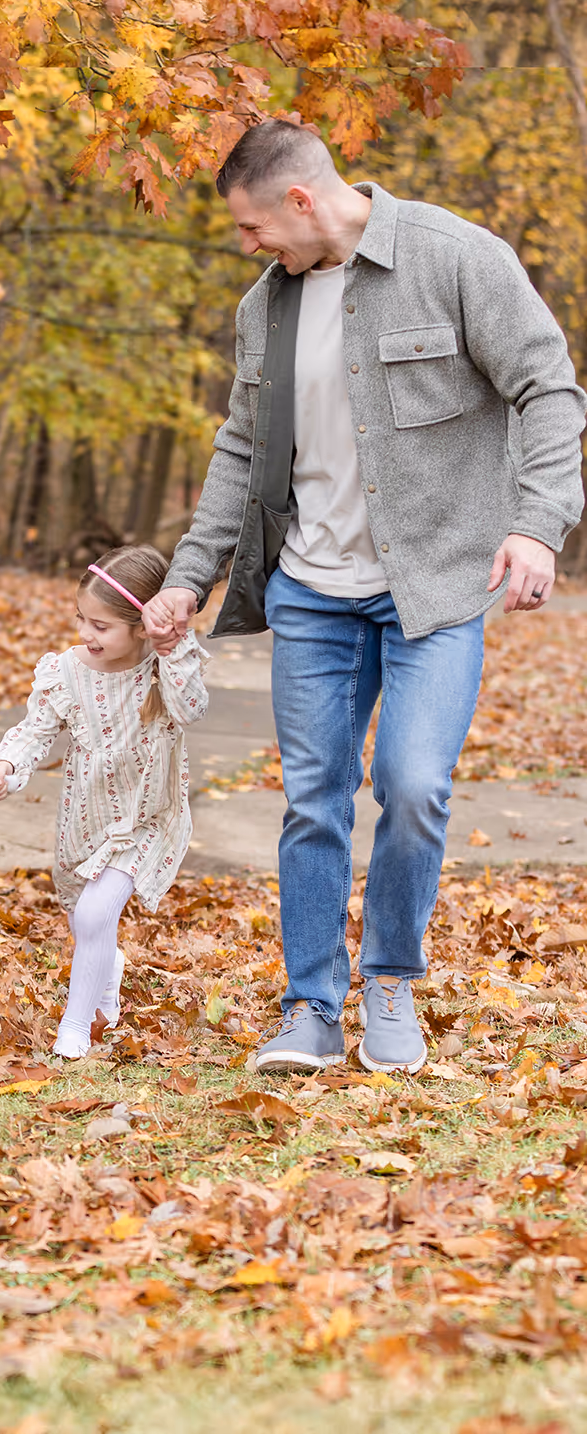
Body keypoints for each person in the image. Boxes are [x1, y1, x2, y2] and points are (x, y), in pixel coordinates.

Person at [143, 119, 587, 1076]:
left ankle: (388, 979)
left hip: (432, 586)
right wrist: (189, 577)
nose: (248, 247)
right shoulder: (266, 307)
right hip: (311, 593)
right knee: (314, 800)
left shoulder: (458, 259)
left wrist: (537, 522)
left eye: (254, 228)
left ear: (302, 201)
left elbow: (550, 391)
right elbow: (239, 451)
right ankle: (311, 1003)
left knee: (416, 788)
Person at [0, 546, 208, 1059]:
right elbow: (34, 732)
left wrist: (173, 650)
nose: (87, 633)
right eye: (82, 619)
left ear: (142, 624)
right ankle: (106, 987)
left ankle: (75, 1028)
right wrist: (7, 767)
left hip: (149, 816)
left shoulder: (164, 666)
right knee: (85, 916)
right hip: (84, 820)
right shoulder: (66, 671)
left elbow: (193, 709)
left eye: (102, 625)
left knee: (93, 916)